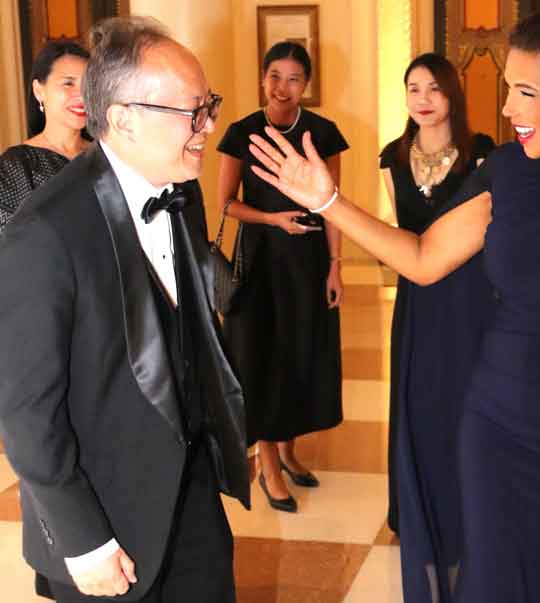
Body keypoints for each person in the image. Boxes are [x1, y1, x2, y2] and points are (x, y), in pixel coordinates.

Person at [246, 6, 540, 602]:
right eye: (507, 91)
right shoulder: (506, 173)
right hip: (497, 426)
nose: (507, 110)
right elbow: (421, 257)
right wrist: (329, 201)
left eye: (525, 92)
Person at [0, 17, 252, 603]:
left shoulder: (182, 191)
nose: (207, 126)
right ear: (123, 117)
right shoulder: (43, 234)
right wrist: (84, 541)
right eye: (192, 111)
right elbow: (26, 411)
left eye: (209, 106)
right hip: (104, 522)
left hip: (191, 499)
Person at [378, 53, 495, 601]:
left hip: (470, 300)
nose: (421, 98)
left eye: (432, 88)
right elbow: (398, 237)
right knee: (419, 401)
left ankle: (471, 505)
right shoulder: (391, 157)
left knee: (466, 399)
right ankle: (416, 509)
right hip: (417, 301)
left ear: (453, 94)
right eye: (412, 88)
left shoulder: (484, 154)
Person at [215, 41, 347, 513]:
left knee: (298, 353)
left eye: (294, 78)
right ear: (262, 79)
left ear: (306, 85)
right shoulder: (241, 133)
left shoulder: (324, 134)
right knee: (258, 358)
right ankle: (267, 461)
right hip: (258, 264)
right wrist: (273, 220)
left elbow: (336, 209)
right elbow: (226, 203)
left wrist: (335, 266)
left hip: (307, 263)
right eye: (275, 75)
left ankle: (288, 450)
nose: (282, 86)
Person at [0, 40, 90, 276]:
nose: (81, 95)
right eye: (68, 83)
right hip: (50, 295)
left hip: (111, 294)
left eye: (89, 84)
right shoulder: (19, 164)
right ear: (39, 90)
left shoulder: (107, 157)